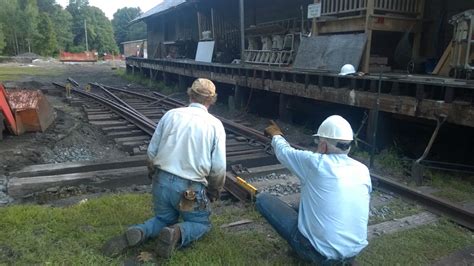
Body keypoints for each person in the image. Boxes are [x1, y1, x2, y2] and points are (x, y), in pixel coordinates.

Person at [102, 78, 226, 259]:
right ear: (211, 100)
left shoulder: (171, 115)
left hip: (162, 181)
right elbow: (219, 167)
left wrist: (154, 174)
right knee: (200, 223)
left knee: (163, 219)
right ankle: (176, 233)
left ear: (190, 94)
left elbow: (152, 151)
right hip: (188, 190)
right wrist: (214, 190)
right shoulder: (215, 125)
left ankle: (140, 231)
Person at [258, 115, 371, 265]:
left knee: (262, 199)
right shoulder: (362, 170)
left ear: (323, 146)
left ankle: (305, 252)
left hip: (318, 255)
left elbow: (284, 152)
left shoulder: (315, 163)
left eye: (318, 142)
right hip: (351, 255)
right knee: (301, 206)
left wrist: (276, 135)